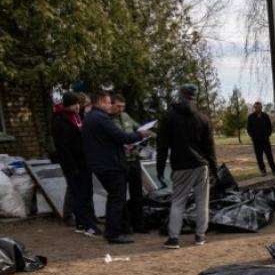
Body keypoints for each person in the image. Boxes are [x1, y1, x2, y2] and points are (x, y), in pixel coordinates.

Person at [82, 91, 148, 244]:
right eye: (108, 102)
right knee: (116, 198)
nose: (110, 105)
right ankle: (113, 233)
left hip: (100, 164)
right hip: (111, 165)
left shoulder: (90, 118)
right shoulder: (101, 118)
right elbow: (121, 137)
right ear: (99, 102)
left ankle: (119, 228)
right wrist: (140, 135)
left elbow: (108, 140)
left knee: (115, 197)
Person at [156, 83, 217, 249]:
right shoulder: (203, 118)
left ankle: (174, 239)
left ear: (180, 95)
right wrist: (214, 168)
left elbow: (162, 146)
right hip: (201, 165)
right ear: (193, 97)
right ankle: (200, 236)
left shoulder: (168, 117)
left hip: (181, 166)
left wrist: (160, 169)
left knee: (178, 202)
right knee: (202, 202)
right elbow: (210, 147)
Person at [52, 92, 101, 237]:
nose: (77, 107)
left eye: (78, 104)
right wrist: (71, 166)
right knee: (79, 194)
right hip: (73, 164)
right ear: (67, 105)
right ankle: (87, 225)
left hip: (84, 161)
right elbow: (63, 147)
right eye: (75, 104)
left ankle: (83, 222)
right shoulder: (60, 120)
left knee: (86, 192)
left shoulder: (78, 117)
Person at [111, 94, 150, 233]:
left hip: (134, 160)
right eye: (118, 106)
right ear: (111, 104)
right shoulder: (107, 120)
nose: (120, 109)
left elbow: (139, 128)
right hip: (120, 162)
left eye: (123, 106)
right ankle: (124, 226)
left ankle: (139, 225)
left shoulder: (126, 116)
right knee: (120, 195)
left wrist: (145, 134)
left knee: (137, 194)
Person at [247, 102, 275, 177]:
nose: (258, 108)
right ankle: (263, 171)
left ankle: (274, 170)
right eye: (256, 107)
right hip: (256, 141)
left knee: (269, 156)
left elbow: (270, 128)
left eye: (259, 107)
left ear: (261, 107)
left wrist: (267, 135)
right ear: (254, 108)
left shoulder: (265, 116)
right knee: (259, 157)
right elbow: (249, 129)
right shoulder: (251, 117)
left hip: (265, 140)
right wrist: (253, 137)